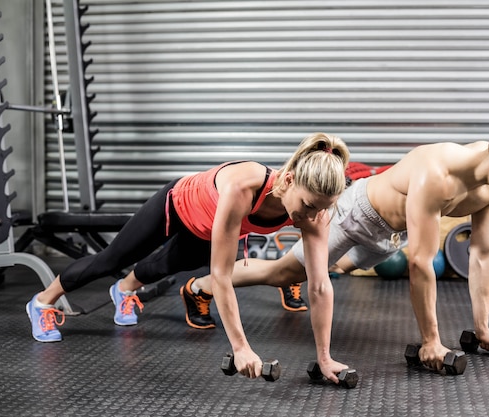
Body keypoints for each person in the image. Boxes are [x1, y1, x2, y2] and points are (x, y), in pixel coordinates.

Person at [182, 120, 489, 378]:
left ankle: (299, 275)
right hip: (357, 213)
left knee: (335, 270)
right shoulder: (437, 174)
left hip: (390, 235)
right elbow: (422, 264)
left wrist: (482, 329)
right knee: (285, 271)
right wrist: (431, 342)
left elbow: (483, 254)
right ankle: (200, 287)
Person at [26, 132, 350, 378]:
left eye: (323, 208)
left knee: (160, 268)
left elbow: (320, 286)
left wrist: (324, 357)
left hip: (206, 230)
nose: (313, 216)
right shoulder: (244, 188)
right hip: (176, 204)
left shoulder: (315, 213)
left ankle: (124, 290)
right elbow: (221, 276)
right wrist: (241, 347)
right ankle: (42, 301)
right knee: (110, 260)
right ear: (290, 180)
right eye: (308, 205)